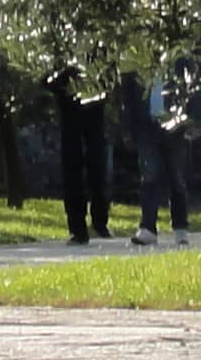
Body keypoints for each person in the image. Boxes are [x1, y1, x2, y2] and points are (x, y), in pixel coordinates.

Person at [120, 61, 193, 245]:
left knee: (176, 177)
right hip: (146, 125)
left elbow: (193, 88)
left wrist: (195, 120)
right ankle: (148, 228)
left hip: (176, 126)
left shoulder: (178, 59)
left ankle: (180, 227)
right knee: (150, 175)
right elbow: (127, 98)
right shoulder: (136, 59)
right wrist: (127, 129)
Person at [48, 60, 110, 245]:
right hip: (70, 115)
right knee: (73, 171)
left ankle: (99, 221)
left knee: (96, 167)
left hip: (92, 113)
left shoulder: (95, 51)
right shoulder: (57, 49)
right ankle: (78, 228)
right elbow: (45, 79)